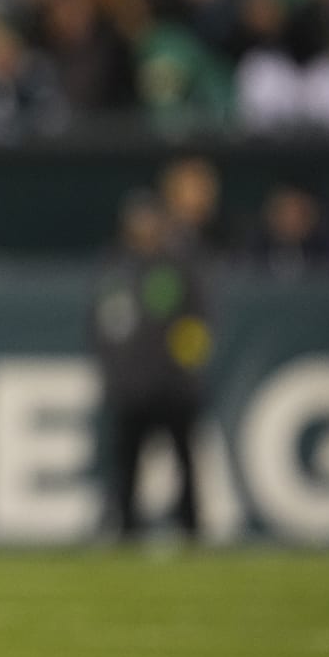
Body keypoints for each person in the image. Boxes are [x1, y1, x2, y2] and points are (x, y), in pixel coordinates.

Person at [90, 191, 210, 541]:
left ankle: (192, 529)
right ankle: (127, 529)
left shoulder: (178, 267)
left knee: (184, 461)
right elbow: (99, 328)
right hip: (131, 388)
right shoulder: (115, 268)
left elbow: (197, 323)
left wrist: (184, 371)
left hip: (173, 387)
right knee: (127, 465)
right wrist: (115, 374)